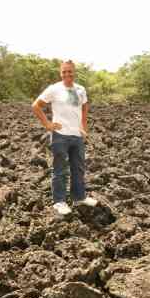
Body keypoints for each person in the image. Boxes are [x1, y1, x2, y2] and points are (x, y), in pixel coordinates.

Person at [32, 60, 98, 216]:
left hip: (76, 136)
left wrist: (83, 126)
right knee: (60, 169)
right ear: (60, 73)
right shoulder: (54, 89)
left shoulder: (81, 90)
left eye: (70, 71)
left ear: (74, 72)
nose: (67, 74)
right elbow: (36, 105)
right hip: (60, 135)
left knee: (78, 168)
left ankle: (79, 198)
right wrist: (48, 124)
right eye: (64, 72)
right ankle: (59, 202)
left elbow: (84, 106)